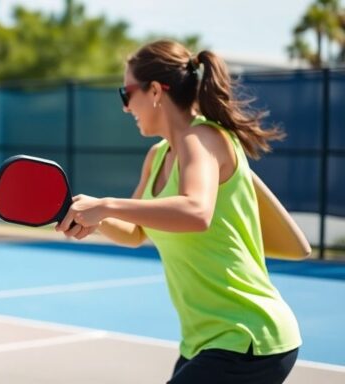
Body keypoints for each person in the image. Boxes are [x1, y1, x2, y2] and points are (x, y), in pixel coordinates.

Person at [56, 40, 301, 384]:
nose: (126, 107)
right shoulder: (157, 156)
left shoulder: (202, 139)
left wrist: (107, 204)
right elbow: (134, 232)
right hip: (203, 341)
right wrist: (89, 216)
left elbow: (196, 211)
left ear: (155, 90)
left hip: (246, 336)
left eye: (126, 94)